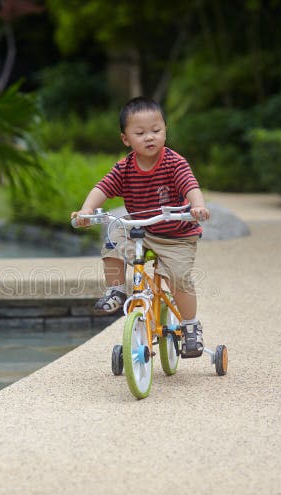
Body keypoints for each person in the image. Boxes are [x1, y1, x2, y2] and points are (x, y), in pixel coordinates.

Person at [71, 96, 210, 357]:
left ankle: (191, 326)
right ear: (126, 139)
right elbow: (102, 188)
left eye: (156, 131)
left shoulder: (173, 163)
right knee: (114, 231)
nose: (150, 137)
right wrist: (87, 211)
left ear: (165, 131)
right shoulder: (124, 168)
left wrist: (197, 207)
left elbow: (191, 186)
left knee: (179, 277)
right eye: (140, 132)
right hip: (142, 230)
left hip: (176, 236)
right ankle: (115, 288)